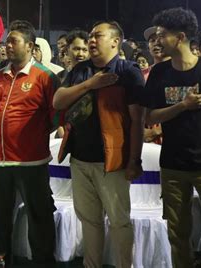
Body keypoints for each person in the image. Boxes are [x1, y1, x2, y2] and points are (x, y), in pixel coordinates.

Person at [53, 20, 145, 268]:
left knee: (119, 221)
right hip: (80, 159)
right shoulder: (81, 70)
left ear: (116, 41)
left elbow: (137, 120)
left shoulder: (128, 72)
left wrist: (134, 160)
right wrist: (89, 85)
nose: (92, 40)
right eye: (91, 36)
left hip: (113, 163)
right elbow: (58, 101)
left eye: (98, 36)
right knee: (89, 220)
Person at [0, 20, 59, 268]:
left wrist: (34, 135)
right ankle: (1, 259)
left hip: (31, 162)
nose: (7, 46)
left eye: (13, 41)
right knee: (0, 215)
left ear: (30, 46)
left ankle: (43, 262)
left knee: (39, 215)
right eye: (6, 42)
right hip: (0, 161)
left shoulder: (44, 77)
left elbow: (56, 116)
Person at [143, 7, 201, 268]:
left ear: (180, 37)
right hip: (172, 166)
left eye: (162, 35)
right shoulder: (160, 72)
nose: (157, 41)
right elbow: (150, 116)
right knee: (177, 233)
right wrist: (183, 105)